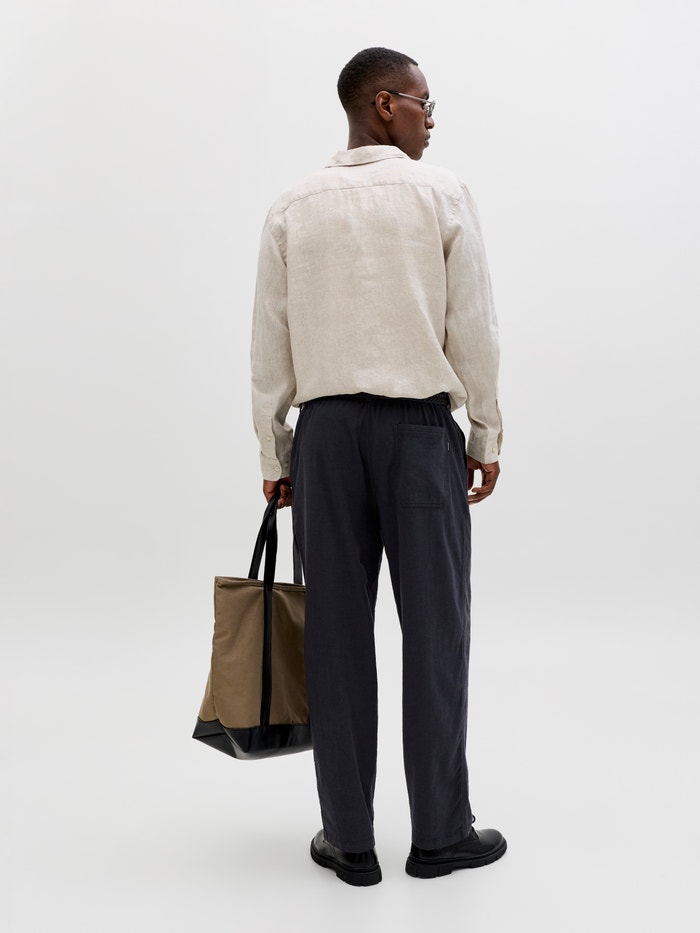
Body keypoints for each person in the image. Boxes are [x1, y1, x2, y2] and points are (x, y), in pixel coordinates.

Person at [250, 47, 506, 886]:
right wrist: (485, 433)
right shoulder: (442, 194)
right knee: (436, 631)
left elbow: (270, 341)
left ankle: (348, 839)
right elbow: (473, 325)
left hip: (324, 439)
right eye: (426, 103)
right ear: (385, 104)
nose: (432, 119)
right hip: (419, 434)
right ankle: (440, 833)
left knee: (332, 636)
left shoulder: (293, 205)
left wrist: (274, 450)